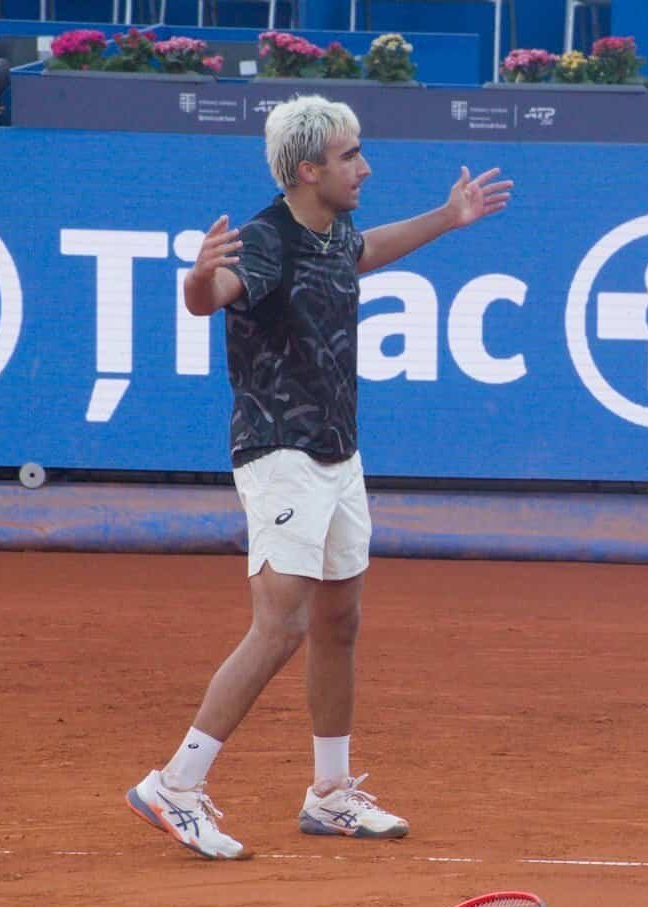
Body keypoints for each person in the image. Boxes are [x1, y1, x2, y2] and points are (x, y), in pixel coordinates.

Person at [126, 94, 512, 860]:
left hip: (340, 455)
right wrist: (197, 280)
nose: (364, 167)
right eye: (349, 156)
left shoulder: (332, 234)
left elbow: (366, 250)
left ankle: (330, 795)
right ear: (308, 169)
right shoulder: (265, 241)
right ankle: (175, 784)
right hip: (280, 456)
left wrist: (447, 217)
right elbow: (213, 298)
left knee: (339, 622)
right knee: (283, 625)